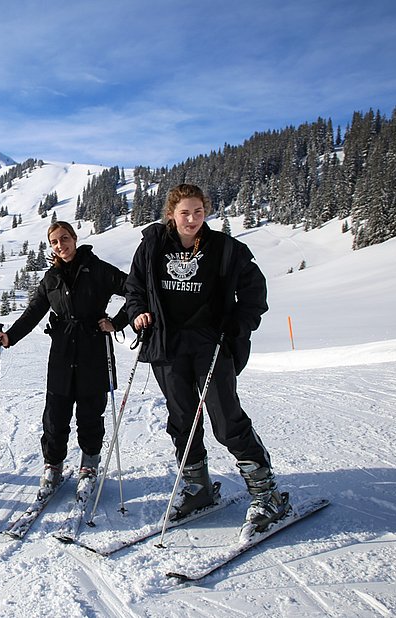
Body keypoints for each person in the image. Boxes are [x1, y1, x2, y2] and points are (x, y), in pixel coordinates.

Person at [123, 182, 288, 531]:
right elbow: (134, 287)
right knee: (182, 419)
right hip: (166, 346)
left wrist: (238, 325)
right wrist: (138, 311)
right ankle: (197, 488)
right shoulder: (152, 245)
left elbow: (255, 293)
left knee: (226, 419)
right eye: (185, 212)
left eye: (199, 211)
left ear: (206, 211)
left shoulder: (225, 249)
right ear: (171, 213)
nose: (193, 218)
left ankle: (266, 492)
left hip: (210, 345)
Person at [0, 221, 127, 492]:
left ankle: (89, 466)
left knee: (90, 412)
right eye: (54, 242)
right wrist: (10, 336)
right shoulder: (51, 279)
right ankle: (53, 465)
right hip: (62, 352)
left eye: (64, 238)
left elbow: (136, 290)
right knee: (55, 414)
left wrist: (118, 322)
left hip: (93, 349)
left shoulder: (98, 269)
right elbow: (33, 312)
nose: (60, 245)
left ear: (75, 239)